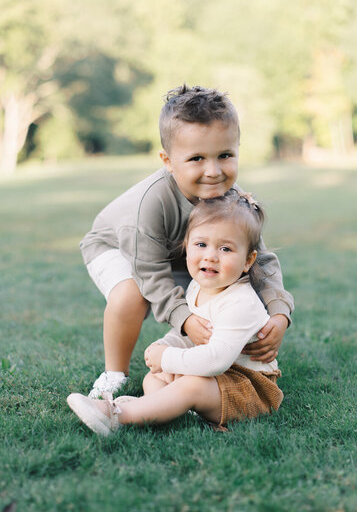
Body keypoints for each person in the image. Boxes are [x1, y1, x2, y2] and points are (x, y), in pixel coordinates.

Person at [80, 84, 294, 398]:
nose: (213, 171)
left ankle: (219, 360)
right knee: (131, 294)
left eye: (225, 155)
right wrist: (185, 318)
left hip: (181, 250)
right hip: (118, 247)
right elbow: (150, 273)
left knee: (232, 279)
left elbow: (258, 260)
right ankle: (115, 372)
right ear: (168, 160)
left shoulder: (234, 204)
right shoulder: (151, 204)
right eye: (196, 158)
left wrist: (279, 312)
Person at [67, 191, 284, 436]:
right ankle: (169, 409)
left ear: (248, 260)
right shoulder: (199, 286)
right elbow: (191, 336)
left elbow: (215, 360)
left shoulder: (240, 303)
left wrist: (167, 356)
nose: (210, 256)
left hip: (246, 386)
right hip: (217, 378)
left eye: (225, 249)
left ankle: (116, 415)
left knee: (191, 385)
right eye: (201, 245)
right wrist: (162, 346)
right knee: (155, 377)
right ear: (187, 247)